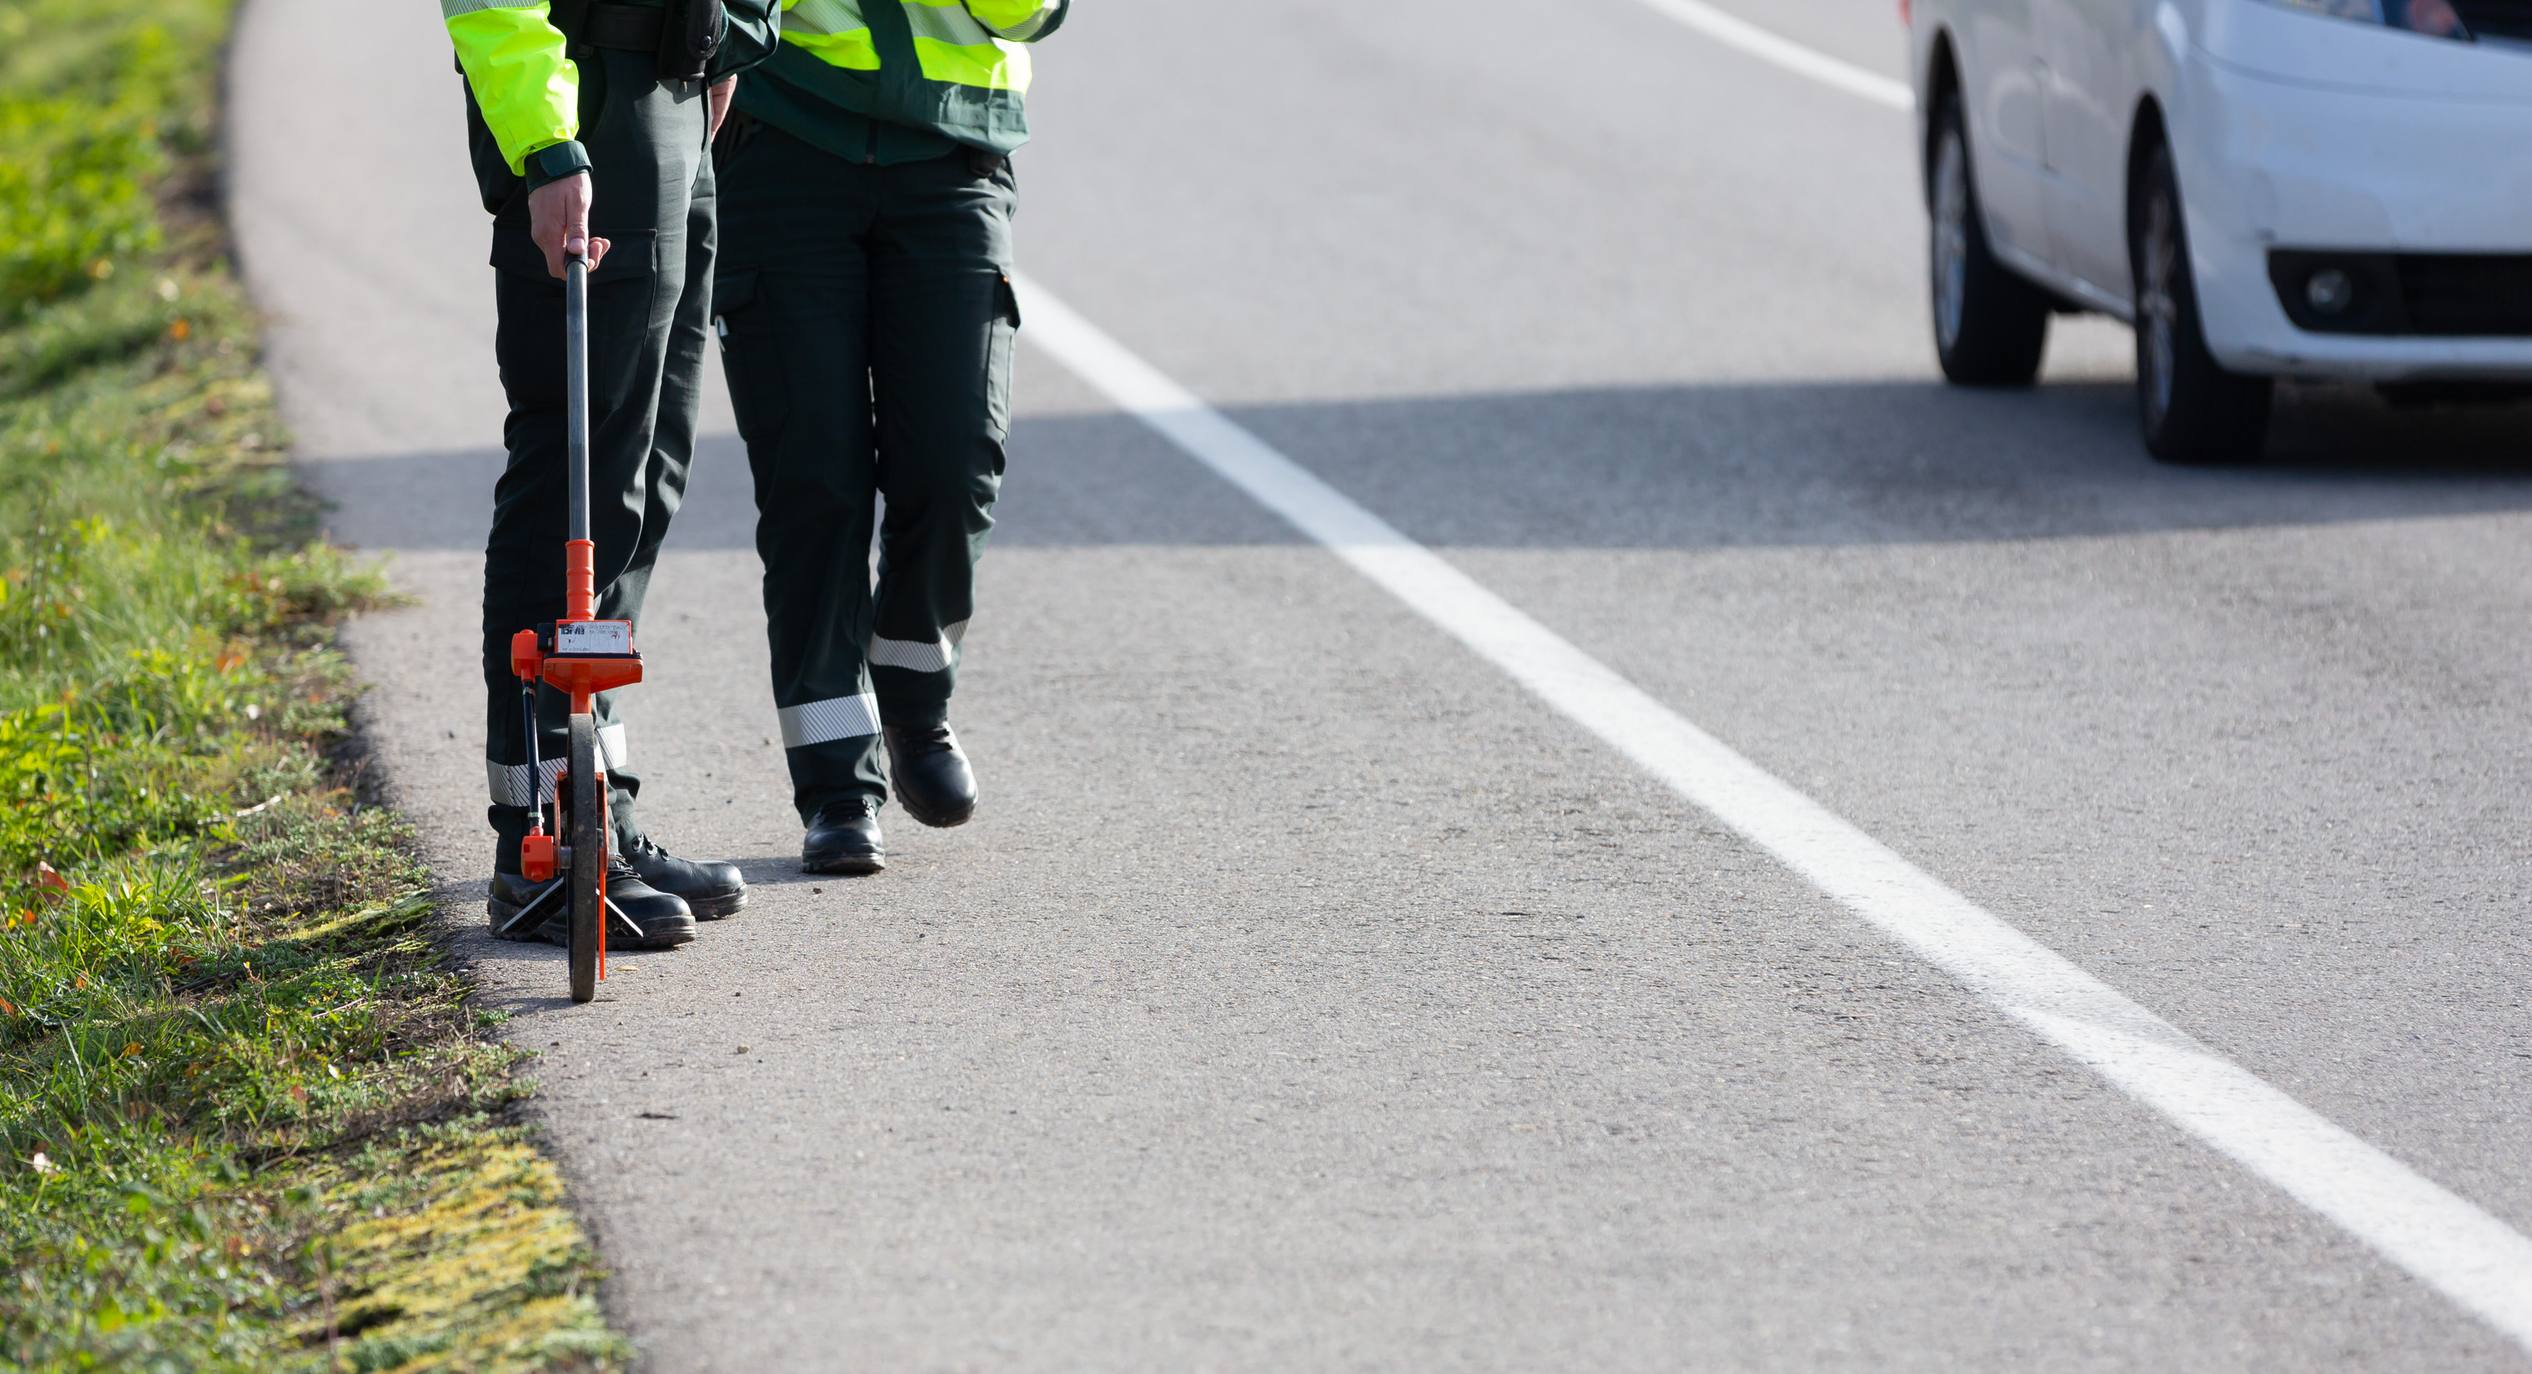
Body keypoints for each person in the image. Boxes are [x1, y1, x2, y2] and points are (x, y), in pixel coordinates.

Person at [446, 0, 777, 945]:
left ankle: (603, 812)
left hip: (680, 86)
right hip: (585, 99)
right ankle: (540, 838)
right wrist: (548, 143)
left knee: (644, 474)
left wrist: (730, 38)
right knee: (574, 473)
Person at [710, 0, 1068, 875]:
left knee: (954, 466)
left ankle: (914, 696)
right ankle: (837, 787)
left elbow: (1029, 14)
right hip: (782, 140)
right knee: (815, 486)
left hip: (952, 152)